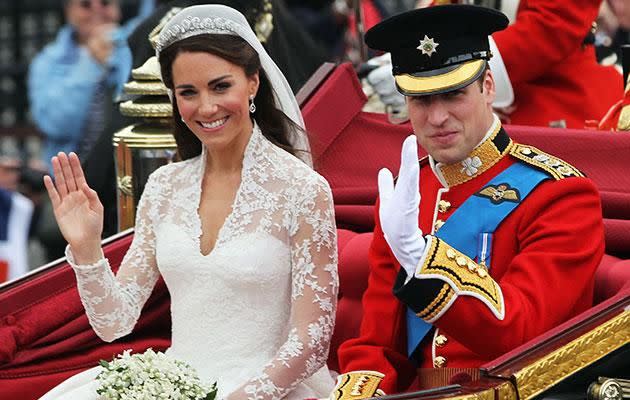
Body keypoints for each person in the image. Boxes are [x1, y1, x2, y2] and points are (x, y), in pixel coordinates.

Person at [39, 5, 338, 400]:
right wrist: (87, 248)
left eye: (220, 86)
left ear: (252, 83)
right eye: (188, 93)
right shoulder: (164, 186)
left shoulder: (303, 189)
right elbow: (115, 322)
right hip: (176, 384)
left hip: (269, 389)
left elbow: (312, 343)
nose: (207, 108)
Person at [334, 5, 605, 397]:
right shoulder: (408, 193)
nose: (438, 117)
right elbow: (377, 346)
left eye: (454, 94)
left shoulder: (559, 194)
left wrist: (422, 259)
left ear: (488, 86)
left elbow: (519, 328)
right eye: (421, 101)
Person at [27, 0, 155, 172]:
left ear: (118, 8)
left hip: (132, 168)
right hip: (74, 176)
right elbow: (56, 124)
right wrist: (91, 61)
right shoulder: (47, 60)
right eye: (85, 5)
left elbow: (142, 106)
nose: (97, 10)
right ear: (68, 11)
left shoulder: (137, 43)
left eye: (105, 3)